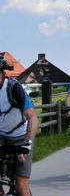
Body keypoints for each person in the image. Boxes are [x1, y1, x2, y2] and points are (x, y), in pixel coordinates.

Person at [0, 55, 38, 196]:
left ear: (3, 74)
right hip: (1, 136)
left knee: (21, 183)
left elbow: (32, 117)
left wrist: (27, 144)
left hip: (21, 136)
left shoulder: (14, 88)